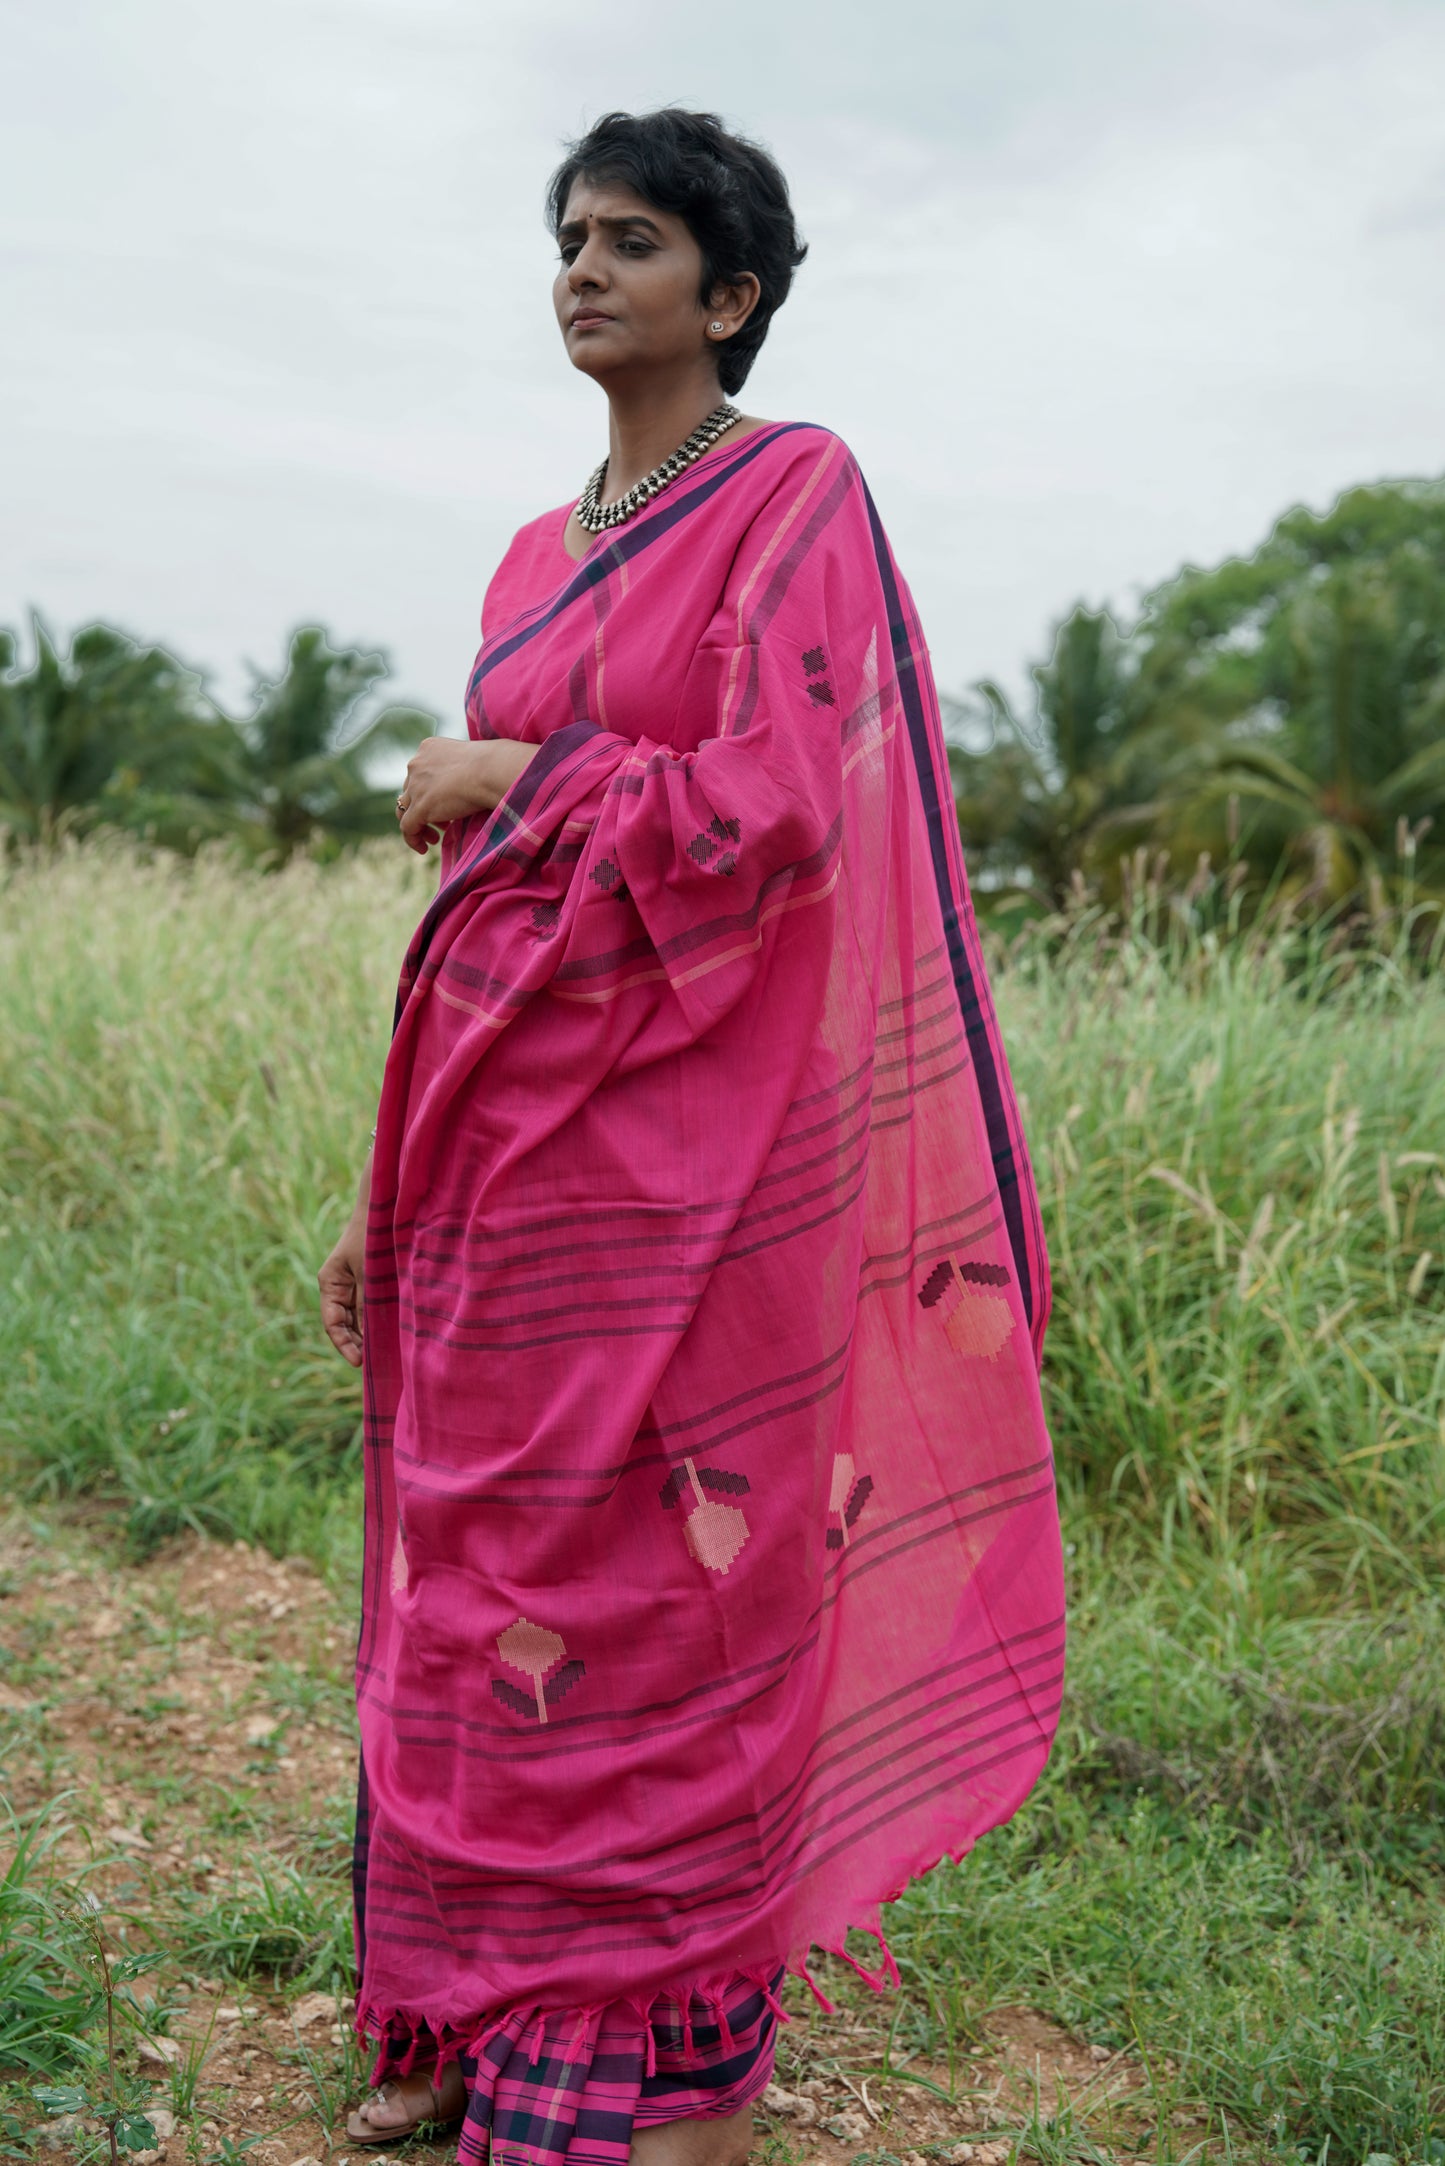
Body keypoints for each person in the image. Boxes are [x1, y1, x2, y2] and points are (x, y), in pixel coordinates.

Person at [318, 106, 1063, 2166]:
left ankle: (650, 2068)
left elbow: (773, 809)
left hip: (690, 1157)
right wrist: (395, 1192)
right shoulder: (526, 554)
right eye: (568, 236)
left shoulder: (791, 493)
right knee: (472, 1567)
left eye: (633, 241)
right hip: (490, 1128)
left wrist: (511, 766)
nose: (582, 268)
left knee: (656, 1593)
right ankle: (467, 2006)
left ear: (728, 294)